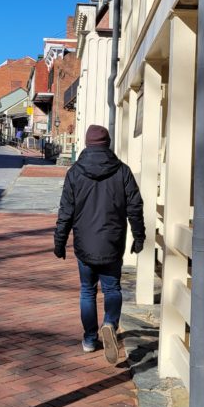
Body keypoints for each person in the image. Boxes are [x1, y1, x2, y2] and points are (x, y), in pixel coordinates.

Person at [53, 123, 145, 364]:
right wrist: (139, 235)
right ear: (108, 144)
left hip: (84, 243)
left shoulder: (74, 172)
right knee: (112, 288)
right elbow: (135, 207)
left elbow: (66, 212)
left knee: (87, 291)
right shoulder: (122, 171)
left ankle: (90, 339)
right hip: (112, 242)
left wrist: (59, 241)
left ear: (87, 143)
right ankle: (110, 325)